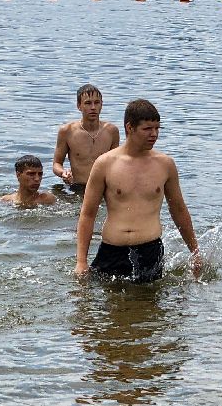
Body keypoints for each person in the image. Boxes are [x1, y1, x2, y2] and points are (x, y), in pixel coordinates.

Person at [75, 99, 201, 282]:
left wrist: (195, 252)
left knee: (150, 306)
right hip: (112, 251)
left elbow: (179, 210)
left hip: (150, 251)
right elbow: (87, 214)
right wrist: (81, 261)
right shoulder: (105, 163)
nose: (154, 134)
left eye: (157, 128)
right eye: (147, 129)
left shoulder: (165, 164)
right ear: (130, 127)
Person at [53, 83, 120, 192]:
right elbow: (56, 163)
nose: (93, 107)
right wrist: (63, 173)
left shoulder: (111, 131)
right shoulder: (67, 131)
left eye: (97, 103)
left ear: (101, 105)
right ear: (79, 106)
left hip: (104, 188)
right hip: (77, 187)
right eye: (88, 103)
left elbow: (116, 163)